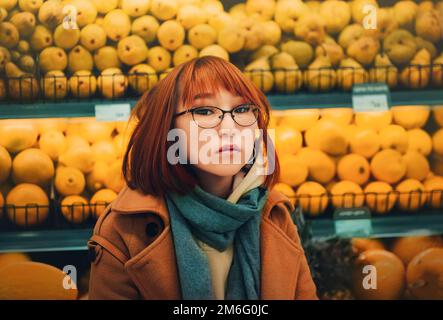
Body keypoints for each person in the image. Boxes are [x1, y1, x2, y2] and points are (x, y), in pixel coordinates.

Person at [88, 56, 317, 300]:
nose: (229, 128)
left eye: (241, 109)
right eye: (205, 111)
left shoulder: (275, 215)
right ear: (167, 128)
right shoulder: (124, 230)